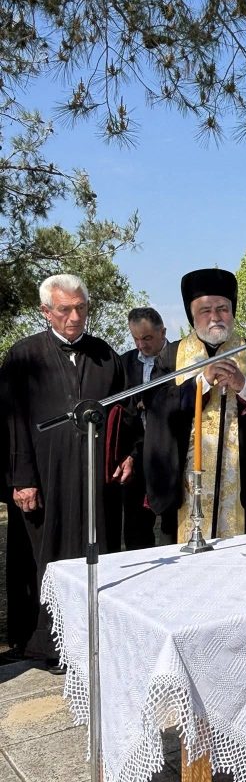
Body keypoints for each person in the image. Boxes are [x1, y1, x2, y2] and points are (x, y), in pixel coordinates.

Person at [0, 274, 132, 667]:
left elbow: (122, 414)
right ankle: (44, 643)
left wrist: (126, 454)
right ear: (46, 312)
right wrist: (21, 479)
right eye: (64, 309)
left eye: (81, 308)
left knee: (96, 552)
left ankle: (95, 636)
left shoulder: (105, 355)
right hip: (44, 477)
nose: (74, 317)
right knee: (45, 557)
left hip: (95, 479)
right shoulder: (22, 356)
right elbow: (10, 423)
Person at [143, 268, 246, 540]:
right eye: (205, 310)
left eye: (222, 308)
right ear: (191, 315)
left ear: (233, 311)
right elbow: (158, 409)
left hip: (244, 493)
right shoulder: (171, 357)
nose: (215, 317)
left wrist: (244, 386)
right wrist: (202, 383)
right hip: (186, 494)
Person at [120, 307, 177, 548]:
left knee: (172, 527)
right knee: (136, 528)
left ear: (163, 332)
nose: (141, 345)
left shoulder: (179, 359)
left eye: (147, 338)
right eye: (135, 338)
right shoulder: (125, 363)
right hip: (137, 455)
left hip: (169, 454)